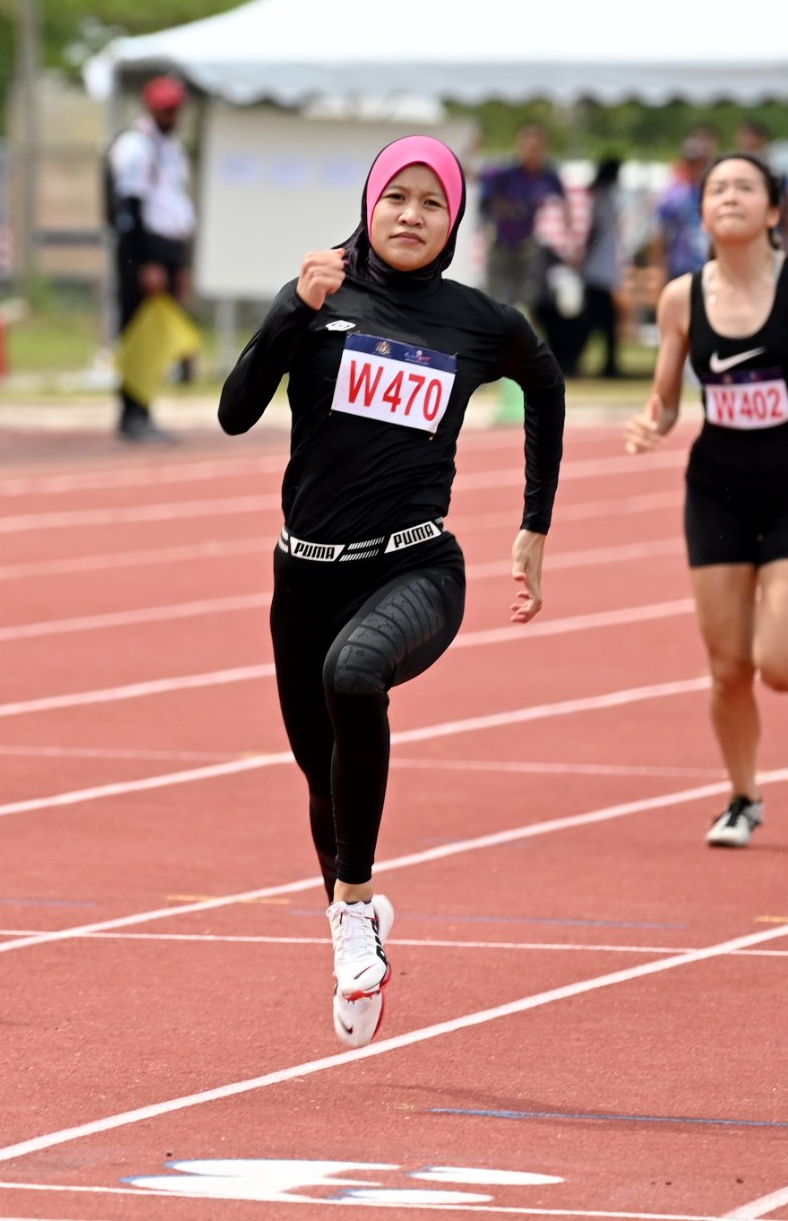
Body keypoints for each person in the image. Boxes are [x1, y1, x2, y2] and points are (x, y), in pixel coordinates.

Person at [218, 135, 564, 1049]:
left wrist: (535, 524)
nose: (411, 215)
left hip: (416, 565)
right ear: (370, 203)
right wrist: (294, 310)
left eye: (432, 203)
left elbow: (547, 385)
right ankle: (351, 911)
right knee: (320, 778)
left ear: (453, 220)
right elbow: (234, 410)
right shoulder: (321, 296)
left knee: (356, 673)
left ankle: (355, 904)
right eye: (396, 197)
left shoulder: (478, 321)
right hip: (304, 575)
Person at [624, 153, 788, 848]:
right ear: (702, 210)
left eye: (746, 187)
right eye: (717, 188)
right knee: (727, 667)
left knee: (776, 661)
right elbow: (667, 398)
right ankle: (743, 797)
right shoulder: (682, 297)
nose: (730, 196)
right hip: (715, 490)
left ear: (774, 211)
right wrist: (651, 425)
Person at [109, 74, 197, 441]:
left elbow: (175, 206)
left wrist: (182, 264)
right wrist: (145, 263)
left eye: (175, 109)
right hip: (144, 251)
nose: (171, 115)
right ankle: (131, 413)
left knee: (157, 335)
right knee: (137, 332)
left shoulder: (172, 149)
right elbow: (130, 208)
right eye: (165, 109)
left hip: (169, 250)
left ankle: (145, 408)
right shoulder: (136, 147)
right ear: (150, 108)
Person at [479, 123, 564, 310]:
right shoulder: (504, 173)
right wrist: (512, 209)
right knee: (498, 295)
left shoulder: (548, 175)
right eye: (528, 148)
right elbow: (487, 201)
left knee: (529, 295)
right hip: (501, 240)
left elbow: (563, 203)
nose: (532, 153)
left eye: (537, 148)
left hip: (528, 241)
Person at [650, 126, 719, 279]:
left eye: (700, 162)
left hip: (711, 267)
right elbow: (660, 233)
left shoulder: (715, 193)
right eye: (691, 162)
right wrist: (659, 268)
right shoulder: (674, 195)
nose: (696, 167)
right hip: (681, 267)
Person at [579, 157, 626, 379]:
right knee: (600, 321)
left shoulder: (601, 195)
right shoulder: (604, 196)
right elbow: (595, 230)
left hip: (600, 268)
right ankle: (603, 362)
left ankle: (603, 362)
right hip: (599, 268)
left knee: (598, 321)